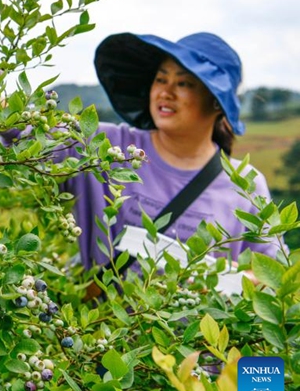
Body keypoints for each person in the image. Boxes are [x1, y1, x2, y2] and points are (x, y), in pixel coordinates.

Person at [63, 32, 279, 277]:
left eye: (184, 83)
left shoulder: (246, 185)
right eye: (160, 79)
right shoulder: (105, 146)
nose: (166, 92)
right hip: (99, 315)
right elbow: (22, 132)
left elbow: (270, 276)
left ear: (217, 102)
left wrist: (234, 281)